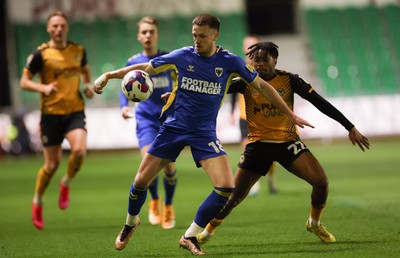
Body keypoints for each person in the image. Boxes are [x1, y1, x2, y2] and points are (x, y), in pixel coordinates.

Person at [93, 14, 313, 255]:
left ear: (215, 36)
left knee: (226, 187)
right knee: (140, 182)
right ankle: (130, 223)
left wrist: (289, 114)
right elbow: (146, 67)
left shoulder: (229, 61)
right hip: (173, 129)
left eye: (202, 36)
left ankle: (189, 235)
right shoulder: (183, 55)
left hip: (204, 133)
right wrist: (109, 75)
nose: (197, 40)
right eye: (194, 35)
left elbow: (261, 86)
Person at [197, 41, 370, 245]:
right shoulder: (246, 81)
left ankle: (314, 223)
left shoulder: (289, 80)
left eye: (264, 59)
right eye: (255, 60)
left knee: (321, 182)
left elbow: (321, 103)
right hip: (258, 146)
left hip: (287, 143)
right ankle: (207, 231)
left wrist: (349, 126)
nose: (259, 64)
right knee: (234, 198)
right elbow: (212, 90)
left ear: (275, 60)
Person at [20, 11, 94, 230]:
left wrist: (87, 87)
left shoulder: (78, 50)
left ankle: (66, 183)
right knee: (51, 165)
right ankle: (38, 201)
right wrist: (43, 87)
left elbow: (86, 73)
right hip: (51, 115)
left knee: (79, 152)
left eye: (62, 25)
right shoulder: (40, 54)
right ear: (48, 29)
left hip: (74, 112)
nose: (59, 29)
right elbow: (24, 82)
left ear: (67, 27)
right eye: (55, 26)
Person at [120, 17, 177, 229]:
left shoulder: (169, 59)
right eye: (143, 32)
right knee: (148, 166)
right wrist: (123, 106)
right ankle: (154, 201)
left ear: (157, 34)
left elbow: (180, 83)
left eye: (151, 32)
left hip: (167, 119)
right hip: (145, 120)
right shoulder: (132, 62)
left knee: (170, 169)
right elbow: (124, 85)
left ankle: (169, 206)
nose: (147, 35)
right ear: (138, 36)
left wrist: (175, 97)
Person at [231, 35, 277, 196]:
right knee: (247, 150)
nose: (250, 48)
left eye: (253, 45)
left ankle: (270, 178)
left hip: (262, 114)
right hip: (244, 114)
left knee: (268, 151)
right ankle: (253, 185)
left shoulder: (263, 67)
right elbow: (233, 89)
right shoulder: (240, 67)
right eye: (248, 46)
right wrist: (232, 112)